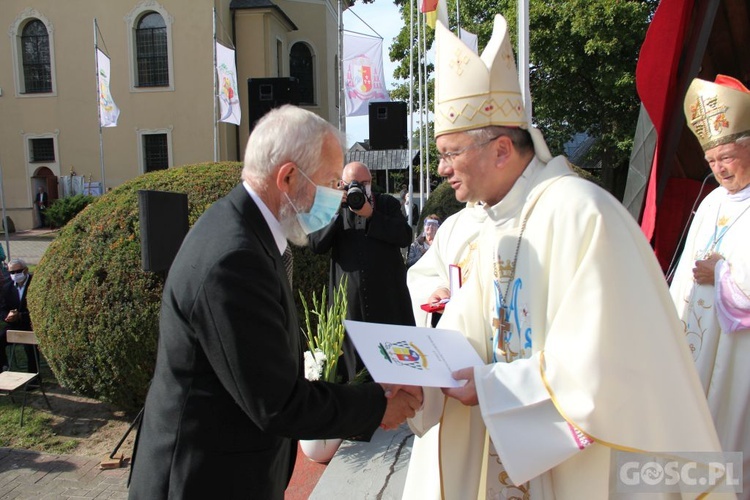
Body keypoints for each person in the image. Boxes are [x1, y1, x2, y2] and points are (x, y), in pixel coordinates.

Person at [402, 16, 727, 499]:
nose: (443, 168)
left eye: (451, 152)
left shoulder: (582, 214)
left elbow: (606, 366)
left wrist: (492, 389)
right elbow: (469, 331)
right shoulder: (495, 224)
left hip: (589, 467)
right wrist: (415, 377)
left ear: (501, 149)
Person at [127, 106, 422, 499]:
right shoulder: (234, 257)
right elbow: (278, 401)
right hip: (202, 481)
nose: (337, 198)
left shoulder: (247, 233)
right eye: (332, 183)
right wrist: (377, 405)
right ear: (287, 177)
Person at [670, 74, 750, 497]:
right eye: (712, 160)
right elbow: (685, 268)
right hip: (697, 343)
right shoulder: (711, 203)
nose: (719, 168)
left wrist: (720, 274)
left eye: (727, 157)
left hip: (741, 353)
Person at [308, 161, 414, 381]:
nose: (358, 189)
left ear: (371, 182)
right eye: (352, 184)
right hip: (349, 304)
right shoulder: (331, 206)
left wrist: (371, 215)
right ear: (341, 185)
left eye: (363, 183)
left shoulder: (386, 203)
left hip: (387, 300)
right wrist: (334, 207)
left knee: (393, 365)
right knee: (352, 370)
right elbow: (315, 244)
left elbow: (405, 236)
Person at [0, 259, 39, 373]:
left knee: (30, 346)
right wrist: (7, 316)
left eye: (18, 271)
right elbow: (2, 308)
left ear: (26, 270)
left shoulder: (35, 285)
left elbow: (38, 309)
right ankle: (3, 367)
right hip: (14, 324)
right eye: (12, 272)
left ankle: (34, 377)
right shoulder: (7, 287)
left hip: (32, 325)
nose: (15, 275)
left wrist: (21, 316)